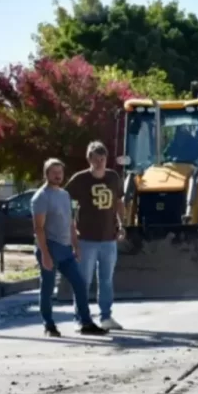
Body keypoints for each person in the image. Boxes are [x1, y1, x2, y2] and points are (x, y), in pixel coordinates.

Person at [31, 158, 107, 338]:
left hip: (66, 249)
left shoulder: (64, 195)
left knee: (80, 284)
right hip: (49, 247)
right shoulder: (41, 197)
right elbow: (38, 228)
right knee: (48, 288)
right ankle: (49, 326)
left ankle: (86, 323)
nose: (58, 175)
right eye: (54, 172)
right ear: (46, 174)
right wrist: (45, 255)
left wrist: (76, 246)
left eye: (60, 172)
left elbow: (71, 223)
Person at [65, 141, 127, 331]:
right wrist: (71, 228)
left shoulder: (113, 177)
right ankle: (81, 317)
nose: (100, 163)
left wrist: (122, 224)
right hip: (86, 239)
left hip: (108, 239)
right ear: (89, 159)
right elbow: (65, 201)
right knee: (83, 280)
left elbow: (118, 202)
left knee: (106, 279)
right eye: (96, 159)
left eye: (103, 159)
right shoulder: (80, 179)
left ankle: (106, 316)